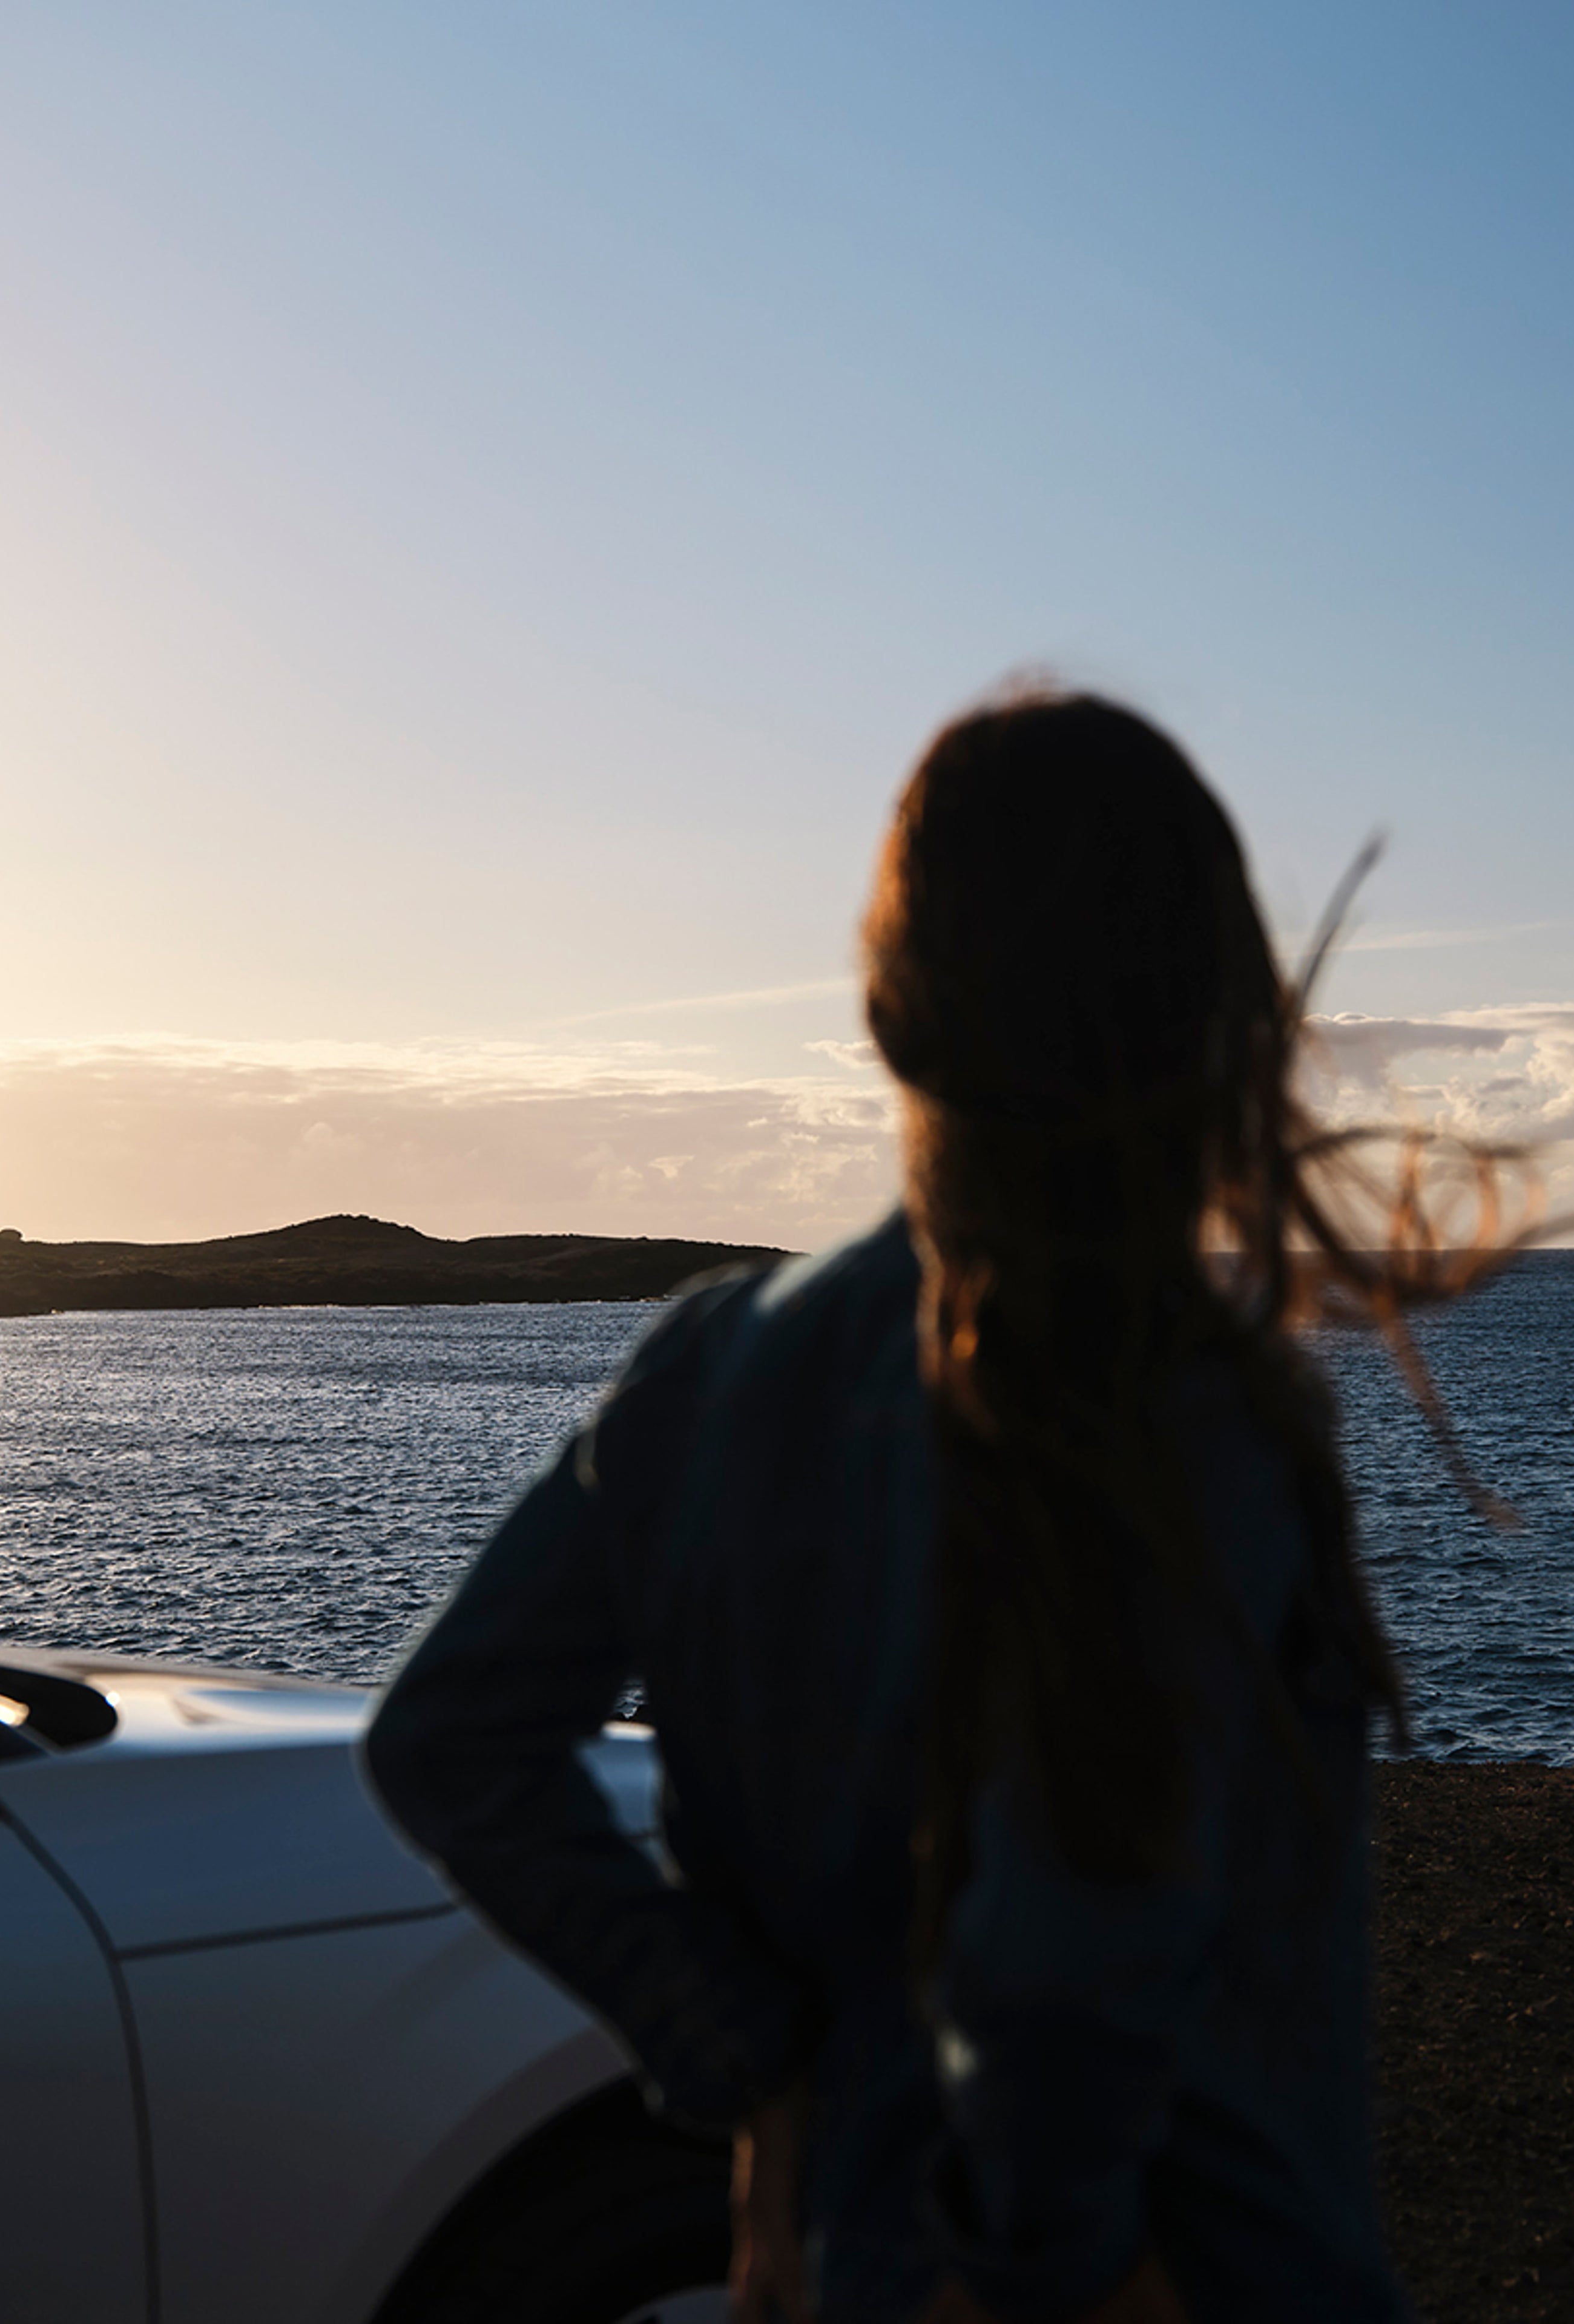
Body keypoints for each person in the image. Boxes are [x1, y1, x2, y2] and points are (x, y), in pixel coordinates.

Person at [364, 688, 1463, 2322]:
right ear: (1219, 999)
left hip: (839, 2262)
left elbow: (451, 1742)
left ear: (891, 1014)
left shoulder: (708, 1371)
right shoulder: (1184, 1396)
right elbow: (1052, 1951)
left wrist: (747, 2058)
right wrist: (1054, 2254)